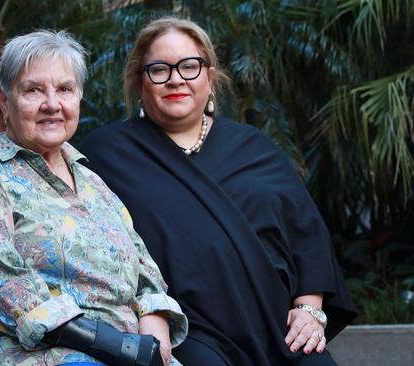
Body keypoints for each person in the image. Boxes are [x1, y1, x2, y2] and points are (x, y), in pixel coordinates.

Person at [79, 17, 357, 366]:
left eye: (189, 66)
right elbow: (81, 246)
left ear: (210, 77)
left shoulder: (256, 148)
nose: (176, 78)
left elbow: (307, 236)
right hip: (185, 331)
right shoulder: (106, 154)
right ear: (139, 82)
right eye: (159, 69)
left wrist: (308, 309)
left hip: (280, 329)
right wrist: (146, 313)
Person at [0, 30, 188, 366]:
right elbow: (5, 286)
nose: (52, 104)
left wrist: (155, 326)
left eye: (64, 89)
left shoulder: (92, 182)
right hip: (14, 351)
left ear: (78, 98)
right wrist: (118, 346)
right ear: (5, 100)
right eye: (33, 90)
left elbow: (144, 271)